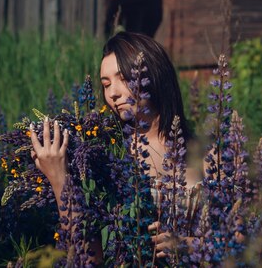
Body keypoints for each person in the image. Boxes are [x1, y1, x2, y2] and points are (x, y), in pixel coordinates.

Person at [30, 31, 202, 259]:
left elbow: (243, 237)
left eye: (123, 78)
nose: (113, 93)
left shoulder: (206, 153)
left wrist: (188, 246)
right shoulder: (105, 155)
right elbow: (88, 257)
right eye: (106, 83)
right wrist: (59, 179)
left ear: (154, 75)